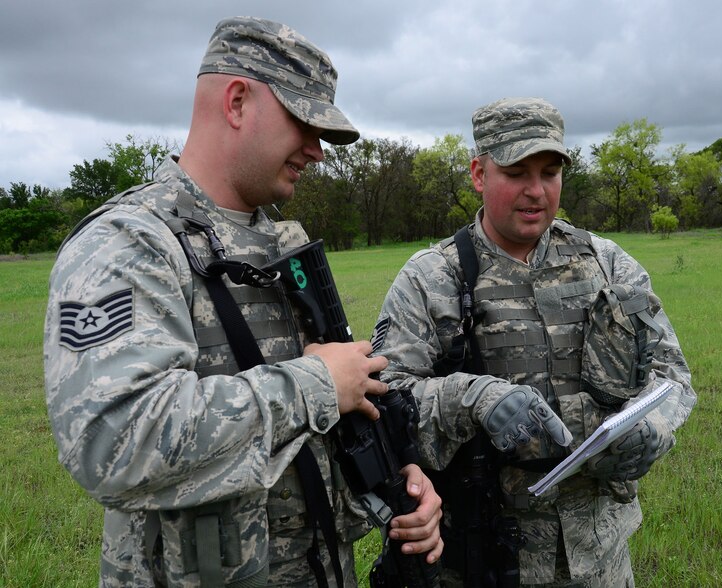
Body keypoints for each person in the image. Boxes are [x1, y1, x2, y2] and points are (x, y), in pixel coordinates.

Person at [44, 16, 443, 587]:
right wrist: (316, 384)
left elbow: (319, 433)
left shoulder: (283, 246)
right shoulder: (129, 244)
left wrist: (402, 484)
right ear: (236, 102)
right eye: (304, 123)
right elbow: (112, 445)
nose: (318, 151)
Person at [371, 97, 697, 586]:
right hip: (485, 560)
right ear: (480, 174)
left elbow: (671, 375)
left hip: (599, 559)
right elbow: (384, 402)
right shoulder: (431, 278)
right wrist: (471, 398)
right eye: (517, 172)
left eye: (549, 172)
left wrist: (652, 429)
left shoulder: (608, 264)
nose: (536, 191)